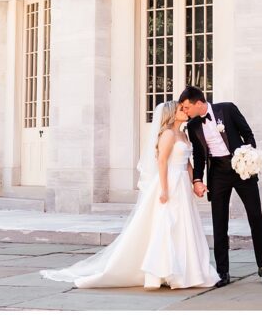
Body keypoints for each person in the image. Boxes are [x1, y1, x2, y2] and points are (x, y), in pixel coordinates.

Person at [41, 101, 218, 290]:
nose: (185, 111)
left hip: (182, 183)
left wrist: (195, 183)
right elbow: (163, 162)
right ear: (171, 114)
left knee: (183, 225)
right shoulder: (167, 134)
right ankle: (163, 271)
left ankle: (185, 270)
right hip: (170, 181)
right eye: (180, 109)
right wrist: (165, 189)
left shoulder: (183, 134)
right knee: (167, 224)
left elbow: (186, 163)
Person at [178, 86, 262, 288]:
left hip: (242, 171)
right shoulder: (193, 126)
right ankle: (223, 272)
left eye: (187, 107)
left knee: (255, 217)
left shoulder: (228, 109)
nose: (185, 111)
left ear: (198, 103)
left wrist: (247, 157)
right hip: (218, 175)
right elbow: (198, 156)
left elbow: (248, 135)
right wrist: (197, 180)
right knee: (219, 223)